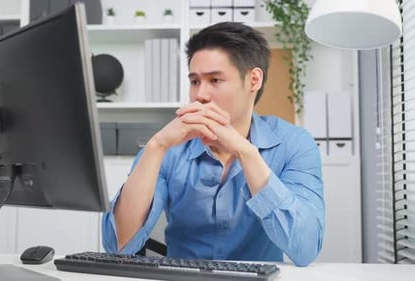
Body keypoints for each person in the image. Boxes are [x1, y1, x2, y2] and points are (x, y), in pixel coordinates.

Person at [102, 22, 324, 267]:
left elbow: (305, 248)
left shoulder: (293, 143)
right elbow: (118, 247)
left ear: (253, 79)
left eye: (215, 80)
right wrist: (156, 145)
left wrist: (245, 152)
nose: (200, 95)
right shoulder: (167, 146)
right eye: (195, 81)